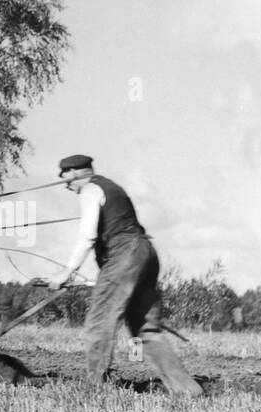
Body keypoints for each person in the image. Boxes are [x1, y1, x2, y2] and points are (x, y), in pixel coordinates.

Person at [49, 154, 201, 396]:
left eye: (65, 177)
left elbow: (87, 235)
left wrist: (67, 272)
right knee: (146, 330)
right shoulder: (113, 188)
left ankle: (94, 390)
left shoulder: (90, 188)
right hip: (146, 253)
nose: (66, 185)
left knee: (99, 323)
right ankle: (187, 390)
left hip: (125, 253)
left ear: (77, 172)